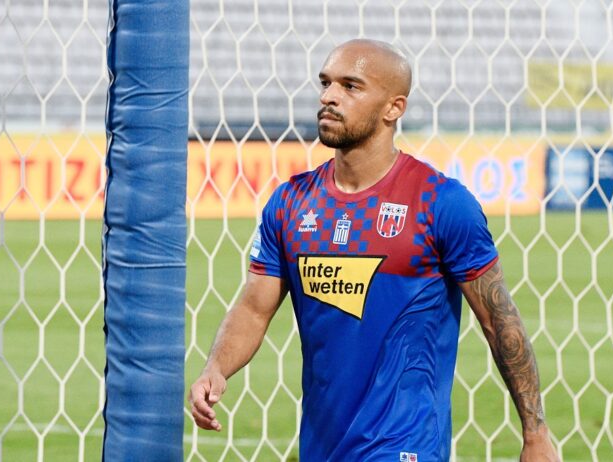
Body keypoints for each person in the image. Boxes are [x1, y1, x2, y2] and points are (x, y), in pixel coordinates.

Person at [189, 39, 559, 462]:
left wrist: (535, 431)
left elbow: (498, 318)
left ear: (393, 108)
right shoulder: (290, 203)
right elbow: (254, 309)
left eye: (350, 86)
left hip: (405, 446)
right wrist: (216, 368)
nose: (329, 96)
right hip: (323, 447)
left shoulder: (439, 203)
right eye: (326, 83)